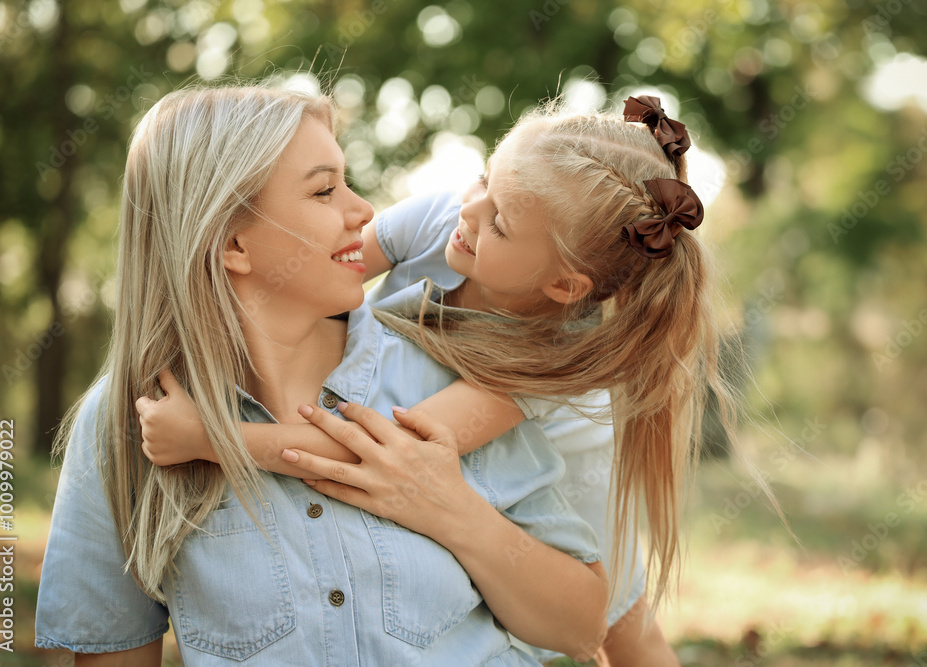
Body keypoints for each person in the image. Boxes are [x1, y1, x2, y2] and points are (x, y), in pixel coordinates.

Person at [138, 94, 747, 665]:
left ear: (564, 284)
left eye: (500, 223)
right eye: (484, 179)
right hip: (433, 407)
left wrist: (210, 438)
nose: (470, 209)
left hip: (555, 449)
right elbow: (316, 280)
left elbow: (387, 448)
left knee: (623, 621)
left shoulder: (554, 350)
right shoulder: (444, 217)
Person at [34, 84, 611, 666]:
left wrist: (454, 512)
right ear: (233, 243)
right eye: (324, 190)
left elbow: (581, 629)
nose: (363, 210)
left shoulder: (453, 378)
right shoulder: (128, 423)